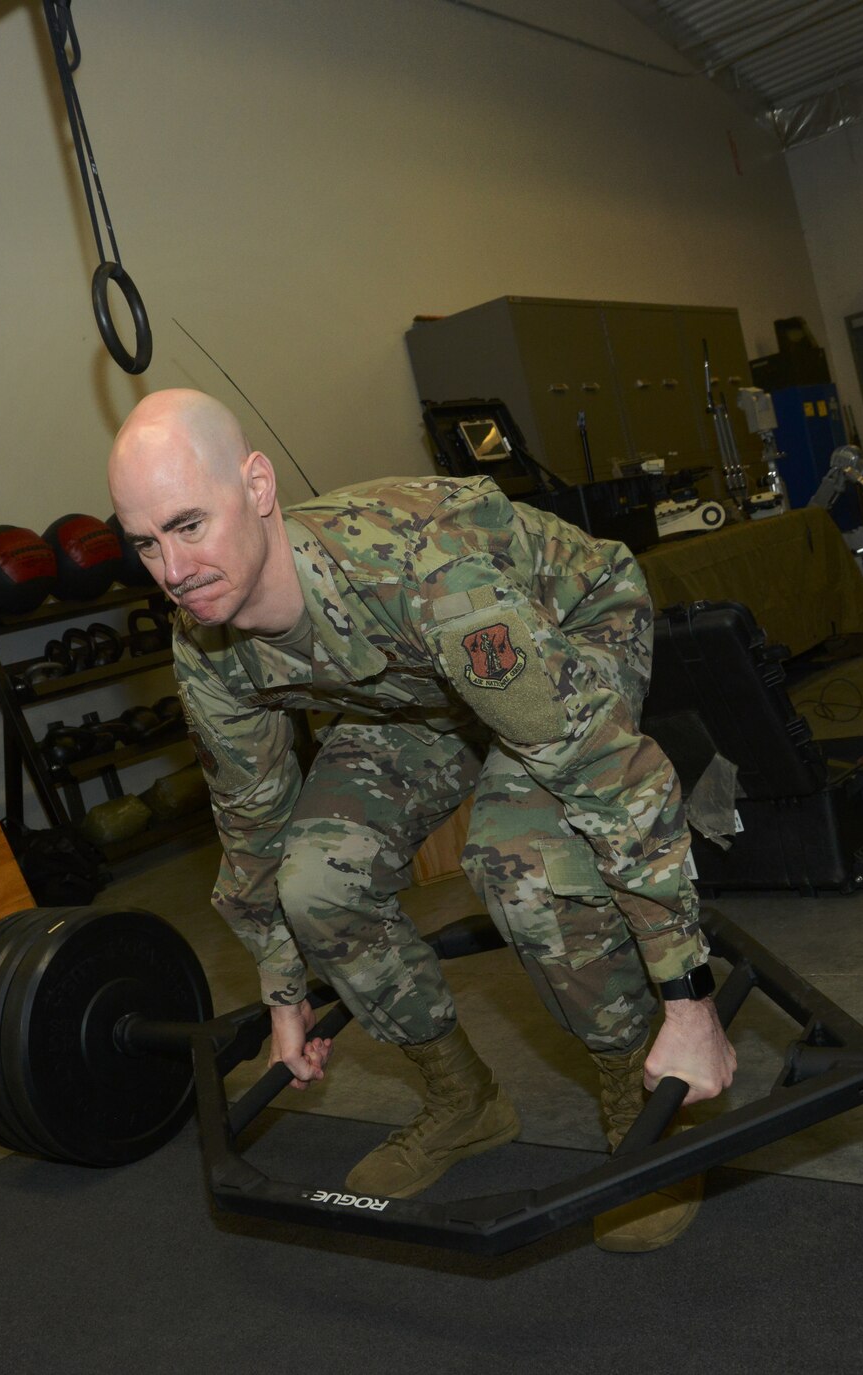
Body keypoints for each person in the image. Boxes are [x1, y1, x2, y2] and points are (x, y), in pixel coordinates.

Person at [107, 389, 735, 1253]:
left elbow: (610, 776)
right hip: (416, 695)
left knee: (521, 861)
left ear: (256, 486)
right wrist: (283, 986)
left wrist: (691, 1002)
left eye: (188, 524)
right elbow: (251, 817)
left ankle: (647, 1095)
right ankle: (464, 1100)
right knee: (315, 881)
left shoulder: (426, 567)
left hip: (563, 628)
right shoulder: (204, 644)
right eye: (145, 543)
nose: (174, 570)